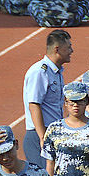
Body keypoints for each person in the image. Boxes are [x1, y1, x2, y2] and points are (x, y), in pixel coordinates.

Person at [23, 29, 72, 168]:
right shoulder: (39, 71)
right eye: (68, 47)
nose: (71, 50)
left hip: (53, 131)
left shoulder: (56, 71)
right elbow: (34, 104)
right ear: (57, 49)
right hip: (39, 134)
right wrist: (42, 137)